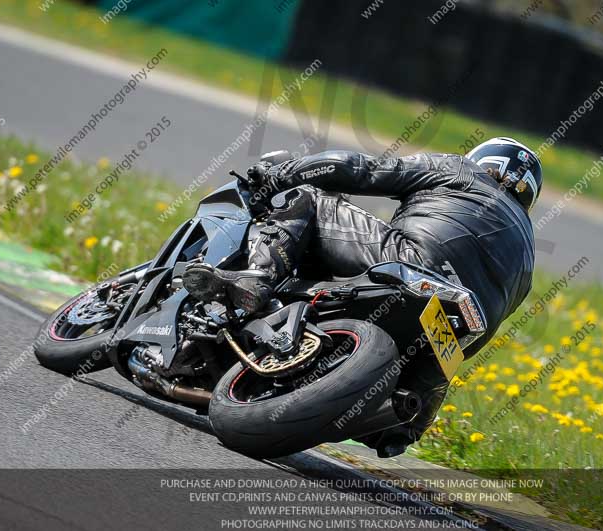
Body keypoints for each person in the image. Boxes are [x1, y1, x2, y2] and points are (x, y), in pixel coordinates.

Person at [183, 137, 541, 456]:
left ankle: (259, 277)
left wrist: (283, 174)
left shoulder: (460, 170)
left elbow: (359, 169)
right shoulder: (528, 259)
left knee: (307, 198)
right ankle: (405, 422)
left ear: (485, 161)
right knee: (412, 408)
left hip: (412, 264)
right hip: (458, 326)